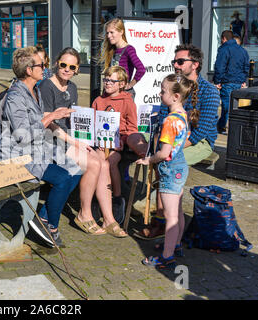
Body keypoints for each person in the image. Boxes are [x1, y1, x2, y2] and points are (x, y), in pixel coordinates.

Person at [0, 46, 82, 247]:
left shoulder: (34, 90)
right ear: (28, 70)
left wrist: (55, 116)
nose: (44, 67)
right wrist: (51, 116)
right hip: (18, 155)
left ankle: (42, 217)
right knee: (62, 178)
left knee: (76, 170)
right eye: (41, 65)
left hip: (38, 148)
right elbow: (23, 135)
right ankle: (51, 226)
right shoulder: (16, 96)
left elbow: (39, 122)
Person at [135, 44, 220, 240]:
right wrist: (155, 148)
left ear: (195, 65)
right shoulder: (172, 86)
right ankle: (158, 208)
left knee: (166, 162)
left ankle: (162, 221)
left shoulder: (209, 91)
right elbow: (163, 123)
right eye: (174, 61)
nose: (176, 65)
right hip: (172, 138)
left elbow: (201, 132)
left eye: (181, 61)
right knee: (148, 148)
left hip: (198, 142)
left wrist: (164, 153)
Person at [39, 47, 127, 238]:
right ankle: (84, 213)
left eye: (72, 67)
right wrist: (75, 142)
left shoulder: (72, 87)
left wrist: (83, 138)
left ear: (77, 69)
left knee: (103, 162)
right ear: (56, 64)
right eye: (63, 65)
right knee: (93, 163)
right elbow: (49, 123)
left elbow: (74, 120)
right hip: (52, 140)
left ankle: (109, 217)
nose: (66, 69)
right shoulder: (46, 86)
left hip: (71, 138)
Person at [138, 73, 199, 269]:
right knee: (178, 211)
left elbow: (164, 153)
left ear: (175, 97)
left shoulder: (169, 122)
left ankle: (167, 256)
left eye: (163, 91)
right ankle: (176, 244)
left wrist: (149, 159)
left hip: (170, 170)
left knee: (170, 217)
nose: (159, 93)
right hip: (180, 166)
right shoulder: (183, 115)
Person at [91, 66, 148, 218]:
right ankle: (98, 198)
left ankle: (117, 198)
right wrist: (98, 140)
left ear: (121, 84)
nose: (107, 83)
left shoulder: (127, 101)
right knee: (98, 162)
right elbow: (93, 124)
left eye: (112, 80)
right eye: (106, 79)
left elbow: (132, 127)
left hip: (119, 144)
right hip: (101, 142)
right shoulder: (98, 101)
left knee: (111, 162)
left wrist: (122, 140)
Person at [214, 30, 249, 134]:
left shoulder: (224, 49)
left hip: (227, 81)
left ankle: (222, 126)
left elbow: (220, 66)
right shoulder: (242, 50)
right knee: (235, 106)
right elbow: (246, 67)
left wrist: (217, 81)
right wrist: (243, 80)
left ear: (224, 38)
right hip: (238, 82)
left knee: (226, 106)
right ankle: (234, 128)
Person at [100, 18, 146, 97]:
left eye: (112, 32)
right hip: (112, 93)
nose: (108, 36)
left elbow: (141, 69)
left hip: (123, 94)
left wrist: (130, 85)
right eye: (107, 33)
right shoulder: (112, 50)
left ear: (121, 32)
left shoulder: (129, 49)